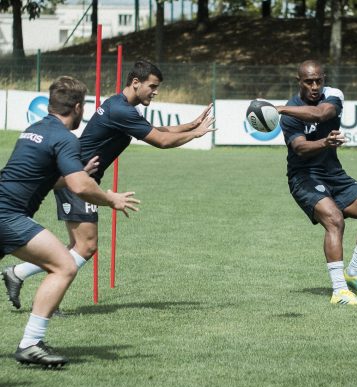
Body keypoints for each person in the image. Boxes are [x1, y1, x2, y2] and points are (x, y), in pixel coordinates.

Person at [2, 59, 215, 309]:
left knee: (80, 246)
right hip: (79, 178)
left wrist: (189, 125)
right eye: (152, 86)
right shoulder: (121, 110)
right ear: (136, 83)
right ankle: (28, 282)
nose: (155, 92)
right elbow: (161, 141)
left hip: (79, 175)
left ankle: (21, 275)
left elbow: (155, 129)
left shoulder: (119, 105)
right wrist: (196, 134)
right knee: (86, 246)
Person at [0, 76, 140, 367]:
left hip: (5, 211)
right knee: (63, 264)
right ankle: (30, 344)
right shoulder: (65, 139)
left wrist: (78, 170)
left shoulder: (33, 130)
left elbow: (42, 179)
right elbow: (80, 187)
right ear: (77, 107)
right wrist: (111, 198)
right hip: (8, 215)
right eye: (83, 108)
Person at [277, 59, 357, 305]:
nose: (314, 86)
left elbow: (322, 113)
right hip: (303, 178)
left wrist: (279, 108)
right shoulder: (291, 112)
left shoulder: (333, 95)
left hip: (334, 175)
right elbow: (300, 148)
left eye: (318, 80)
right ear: (298, 82)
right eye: (308, 81)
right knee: (334, 220)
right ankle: (339, 292)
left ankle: (354, 273)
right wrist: (324, 142)